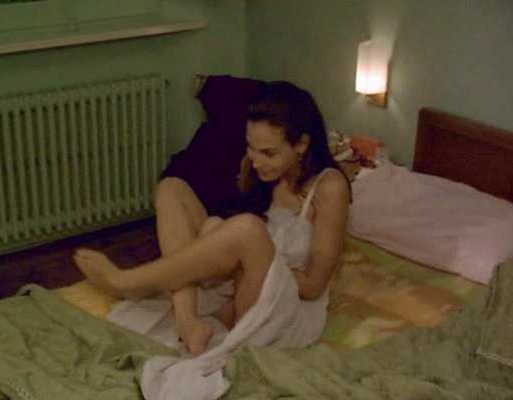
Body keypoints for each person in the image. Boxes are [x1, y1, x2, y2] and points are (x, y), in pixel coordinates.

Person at [73, 81, 350, 357]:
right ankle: (187, 321)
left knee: (247, 229)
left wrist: (253, 255)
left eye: (269, 153)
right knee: (173, 189)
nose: (256, 160)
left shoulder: (330, 186)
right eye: (251, 147)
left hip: (284, 308)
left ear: (301, 144)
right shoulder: (258, 170)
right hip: (242, 287)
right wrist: (230, 252)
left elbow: (314, 286)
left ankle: (124, 281)